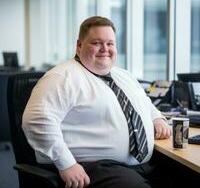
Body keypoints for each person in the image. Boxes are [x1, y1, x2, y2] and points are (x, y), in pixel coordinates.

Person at [22, 16, 171, 188]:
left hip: (141, 166)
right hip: (94, 167)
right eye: (97, 43)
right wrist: (66, 164)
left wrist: (157, 118)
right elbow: (36, 120)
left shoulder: (123, 75)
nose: (105, 49)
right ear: (79, 46)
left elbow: (143, 103)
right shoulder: (62, 77)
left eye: (110, 43)